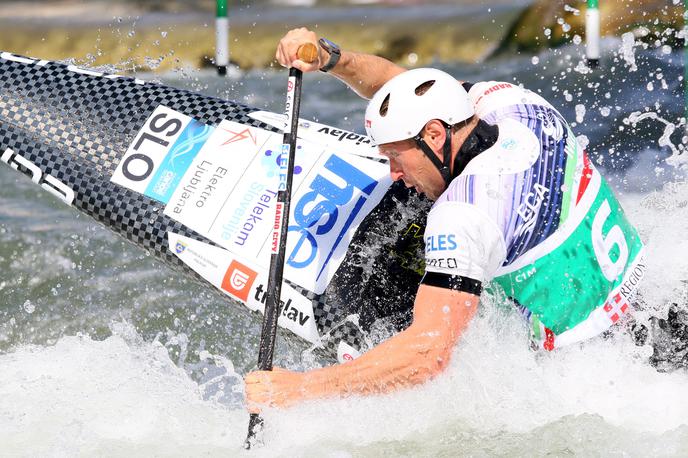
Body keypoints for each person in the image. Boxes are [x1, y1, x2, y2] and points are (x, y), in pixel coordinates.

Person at [244, 27, 646, 411]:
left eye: (396, 156)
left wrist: (299, 388)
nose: (393, 172)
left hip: (594, 376)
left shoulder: (464, 214)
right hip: (644, 312)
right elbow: (404, 87)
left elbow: (427, 355)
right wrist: (331, 57)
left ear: (434, 135)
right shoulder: (510, 102)